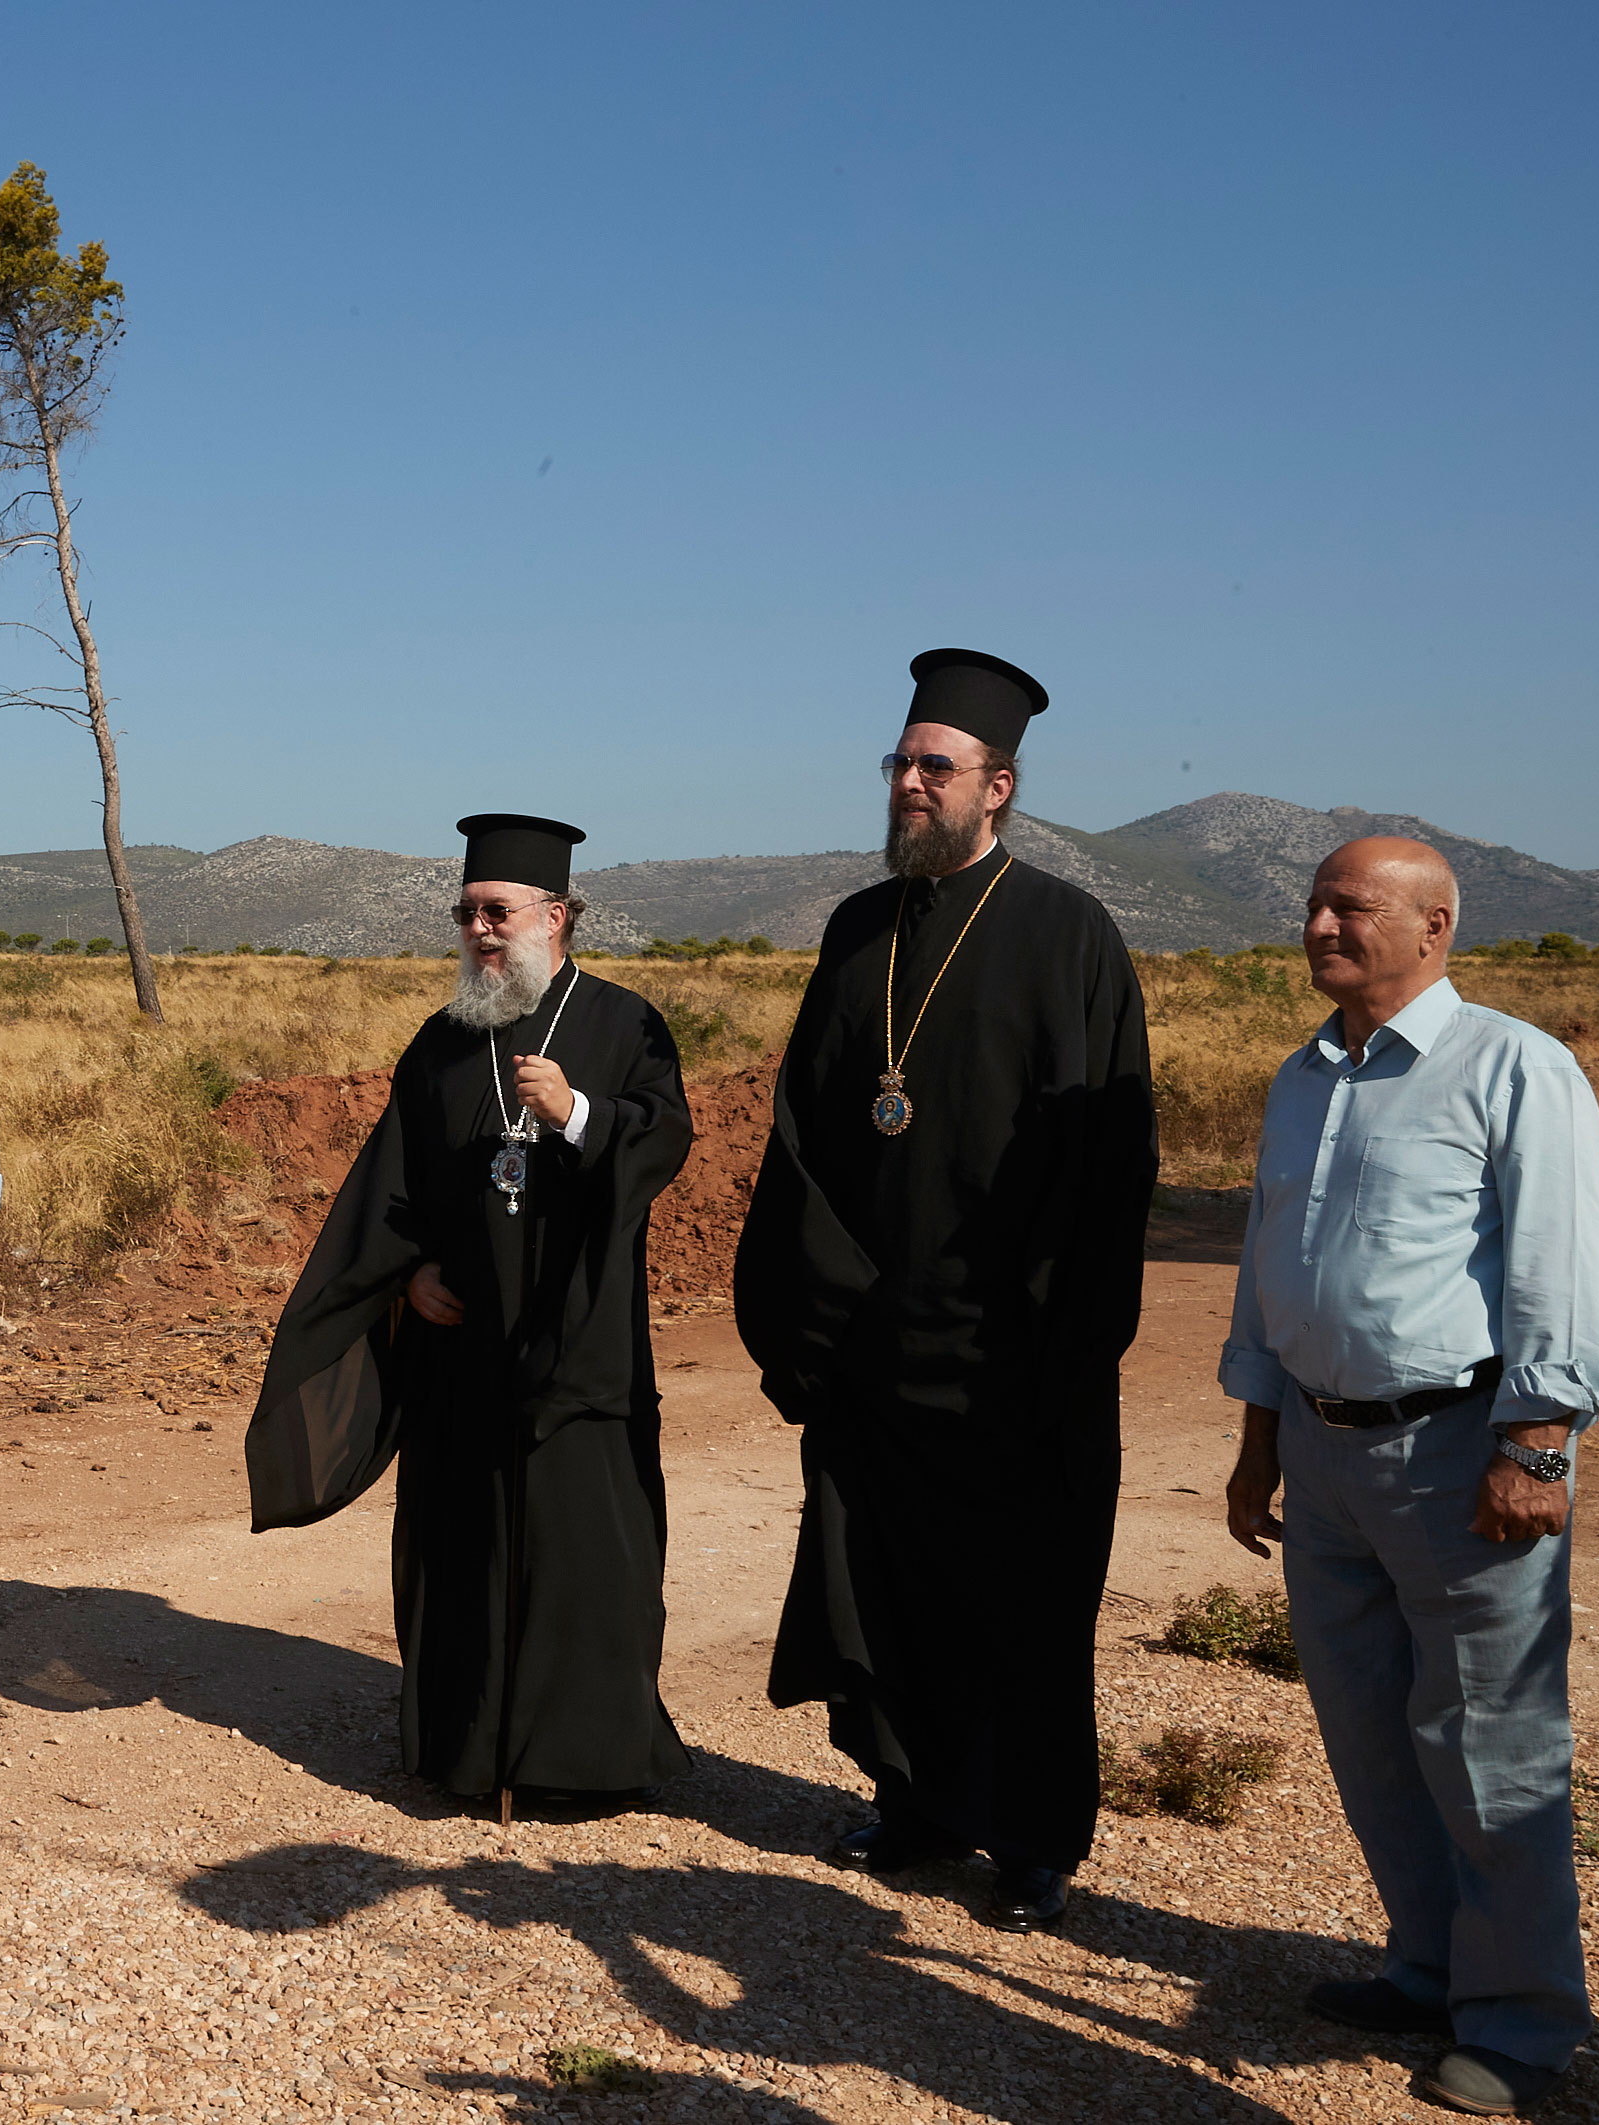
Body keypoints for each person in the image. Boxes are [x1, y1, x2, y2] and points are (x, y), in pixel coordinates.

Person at [735, 647, 1155, 1933]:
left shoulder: (1066, 932)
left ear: (998, 787)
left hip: (1006, 1351)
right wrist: (815, 1307)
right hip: (869, 1337)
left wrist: (1053, 1341)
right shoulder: (860, 926)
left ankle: (1030, 1836)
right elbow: (804, 1127)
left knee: (1020, 1603)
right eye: (900, 764)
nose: (910, 784)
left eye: (937, 767)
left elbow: (1105, 1162)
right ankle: (911, 1802)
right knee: (889, 1583)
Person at [1218, 838, 1599, 2118]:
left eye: (1353, 906)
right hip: (1324, 1451)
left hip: (1462, 1450)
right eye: (1316, 905)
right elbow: (1265, 1266)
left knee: (1491, 1744)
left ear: (1434, 924)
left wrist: (1535, 1444)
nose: (1323, 924)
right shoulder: (1303, 1077)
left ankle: (1520, 2025)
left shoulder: (1513, 1067)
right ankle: (1430, 1962)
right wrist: (1259, 1436)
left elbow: (1557, 1265)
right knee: (1372, 1734)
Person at [246, 814, 697, 1811]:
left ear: (557, 915)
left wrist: (577, 1114)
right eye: (466, 914)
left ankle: (583, 1761)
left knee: (585, 1551)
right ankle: (462, 1750)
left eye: (498, 912)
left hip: (579, 1344)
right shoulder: (442, 1044)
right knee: (459, 1545)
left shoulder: (623, 1025)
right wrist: (405, 1277)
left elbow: (664, 1139)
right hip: (460, 1351)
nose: (481, 931)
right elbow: (390, 1191)